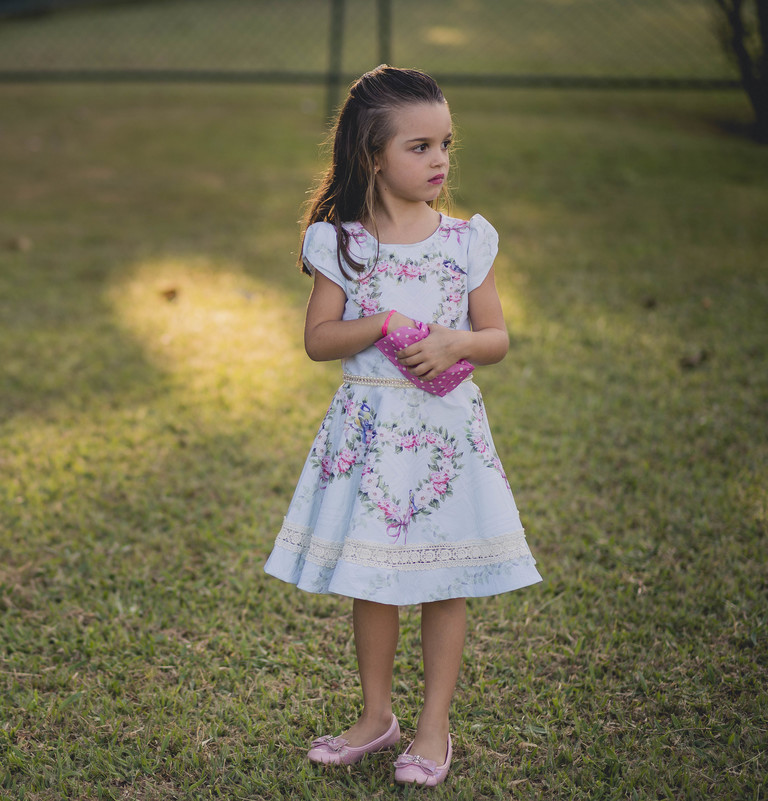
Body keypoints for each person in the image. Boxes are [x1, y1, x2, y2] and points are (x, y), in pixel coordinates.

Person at [263, 65, 542, 788]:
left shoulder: (465, 241)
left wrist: (456, 342)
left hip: (444, 435)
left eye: (446, 143)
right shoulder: (344, 242)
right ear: (372, 156)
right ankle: (376, 715)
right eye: (419, 146)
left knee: (444, 580)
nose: (440, 160)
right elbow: (319, 339)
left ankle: (432, 725)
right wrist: (381, 320)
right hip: (373, 434)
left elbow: (497, 337)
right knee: (375, 578)